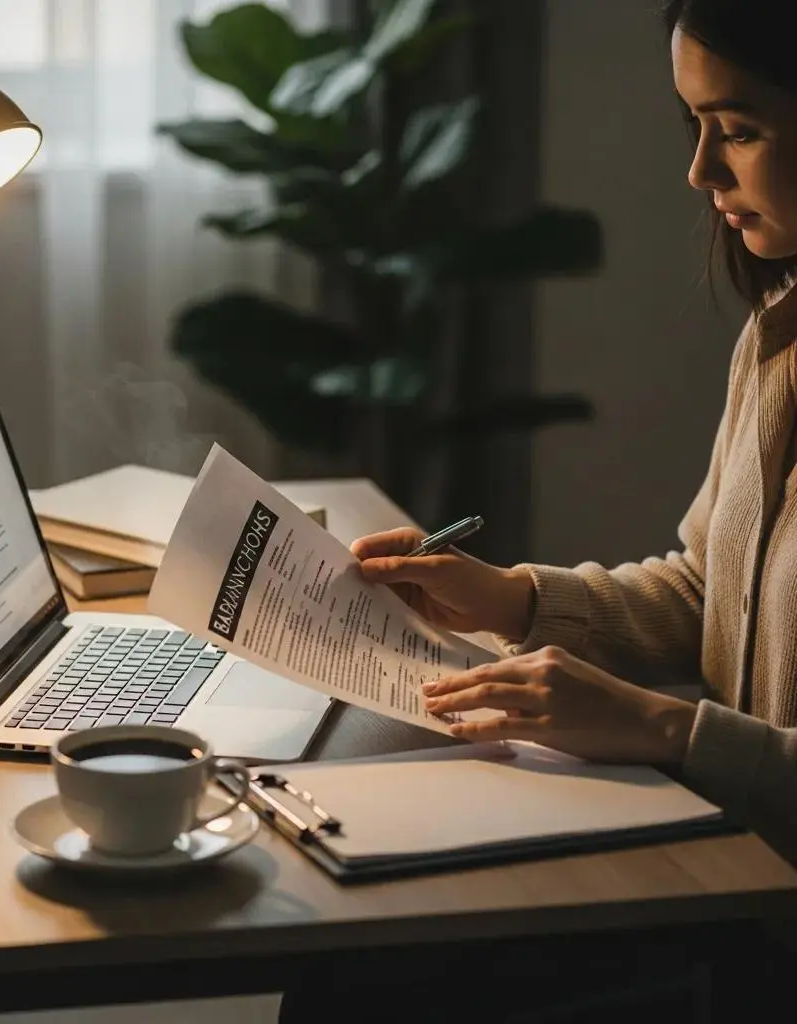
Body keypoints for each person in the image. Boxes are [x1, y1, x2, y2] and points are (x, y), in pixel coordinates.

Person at [279, 0, 796, 1019]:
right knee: (349, 943)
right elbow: (708, 588)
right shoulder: (778, 328)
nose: (700, 171)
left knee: (367, 981)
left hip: (760, 910)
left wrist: (662, 728)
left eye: (736, 130)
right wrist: (510, 598)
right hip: (735, 858)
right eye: (691, 126)